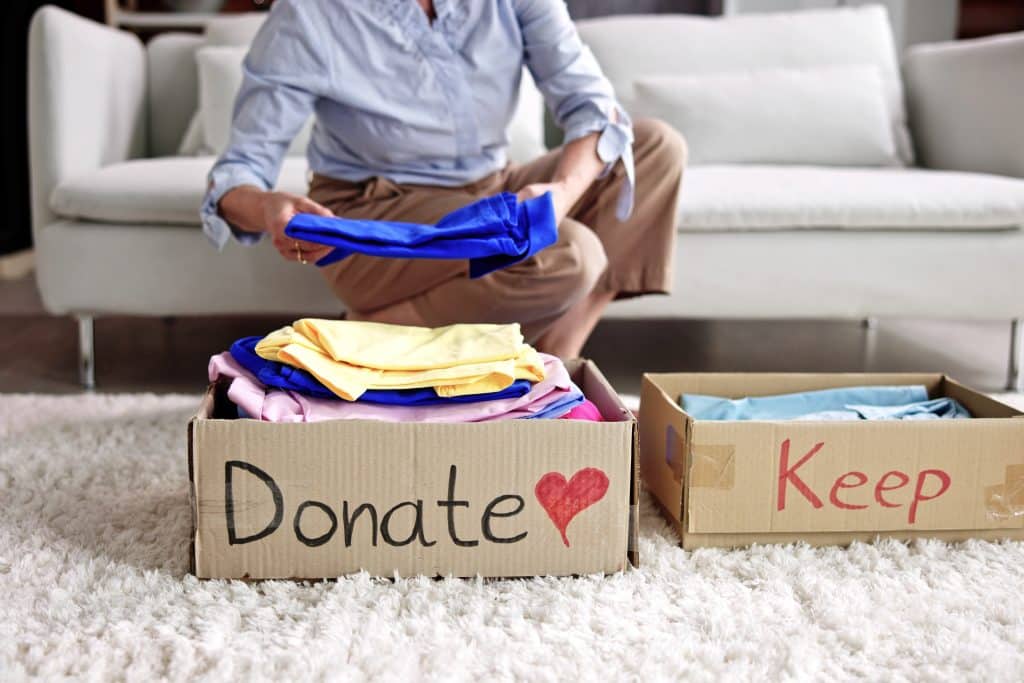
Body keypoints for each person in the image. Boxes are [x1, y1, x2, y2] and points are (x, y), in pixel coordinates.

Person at [201, 0, 685, 358]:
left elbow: (594, 108)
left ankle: (561, 351)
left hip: (491, 188)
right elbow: (239, 171)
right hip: (377, 216)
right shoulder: (310, 15)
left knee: (653, 147)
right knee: (570, 255)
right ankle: (371, 333)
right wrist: (268, 209)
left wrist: (559, 195)